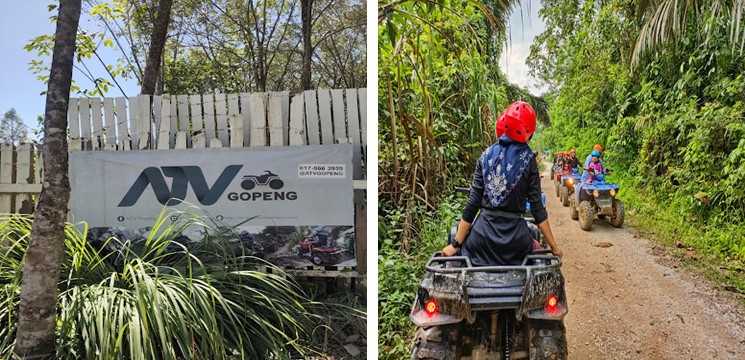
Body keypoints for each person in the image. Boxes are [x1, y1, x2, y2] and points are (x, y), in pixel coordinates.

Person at [441, 101, 563, 265]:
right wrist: (554, 246)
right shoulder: (529, 159)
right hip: (516, 243)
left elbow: (473, 204)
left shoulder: (485, 156)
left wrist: (455, 244)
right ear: (529, 131)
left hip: (482, 239)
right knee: (539, 254)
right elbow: (537, 208)